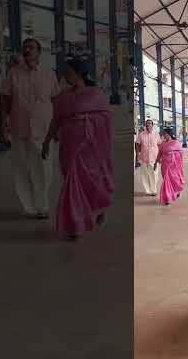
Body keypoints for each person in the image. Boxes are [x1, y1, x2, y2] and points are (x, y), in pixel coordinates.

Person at [41, 58, 114, 240]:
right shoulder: (63, 96)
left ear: (79, 73)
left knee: (89, 181)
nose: (65, 75)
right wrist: (46, 141)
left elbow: (105, 119)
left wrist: (89, 123)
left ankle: (97, 208)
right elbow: (56, 120)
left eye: (69, 72)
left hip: (90, 148)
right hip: (69, 145)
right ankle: (75, 223)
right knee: (71, 184)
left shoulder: (96, 94)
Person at [0, 38, 61, 219]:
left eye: (31, 47)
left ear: (39, 52)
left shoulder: (49, 74)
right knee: (21, 168)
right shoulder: (13, 74)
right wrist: (3, 126)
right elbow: (5, 102)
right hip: (19, 129)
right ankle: (29, 207)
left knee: (43, 169)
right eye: (25, 47)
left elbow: (56, 101)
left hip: (43, 131)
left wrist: (56, 128)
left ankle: (42, 206)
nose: (27, 50)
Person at [154, 128, 185, 206]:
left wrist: (173, 155)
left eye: (165, 134)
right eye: (163, 134)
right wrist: (155, 163)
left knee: (174, 180)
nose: (164, 135)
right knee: (166, 181)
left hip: (174, 166)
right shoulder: (162, 144)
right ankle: (167, 198)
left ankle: (176, 191)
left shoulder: (176, 143)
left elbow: (181, 153)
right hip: (165, 165)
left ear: (169, 134)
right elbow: (159, 154)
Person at [135, 119, 160, 196]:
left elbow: (159, 145)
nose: (148, 125)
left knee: (154, 174)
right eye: (146, 123)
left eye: (149, 123)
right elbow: (137, 145)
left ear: (152, 125)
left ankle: (154, 190)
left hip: (154, 158)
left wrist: (160, 157)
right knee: (145, 175)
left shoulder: (156, 134)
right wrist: (137, 155)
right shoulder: (141, 134)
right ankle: (148, 190)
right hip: (144, 157)